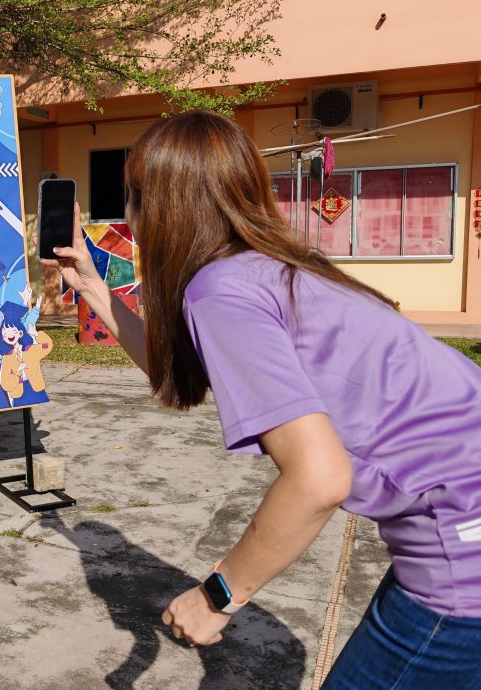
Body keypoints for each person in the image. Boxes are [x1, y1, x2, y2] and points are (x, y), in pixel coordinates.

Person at [44, 111, 481, 688]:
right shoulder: (266, 268)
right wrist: (94, 289)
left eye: (132, 195)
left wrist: (218, 595)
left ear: (162, 207)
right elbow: (181, 379)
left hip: (460, 547)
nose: (129, 214)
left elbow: (319, 479)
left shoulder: (221, 290)